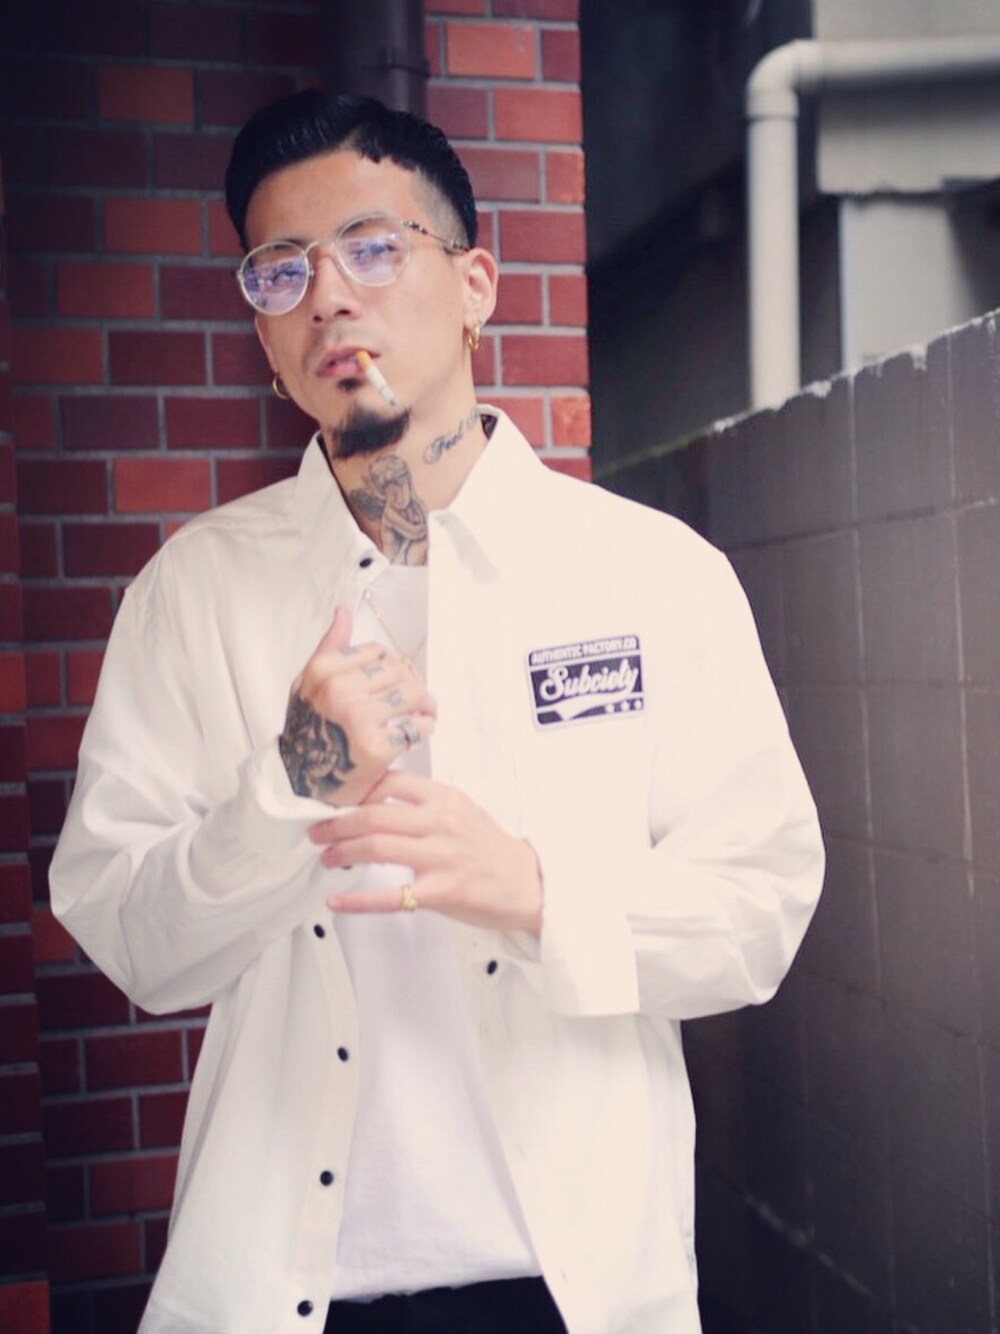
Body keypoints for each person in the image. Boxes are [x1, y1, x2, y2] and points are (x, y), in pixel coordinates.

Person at [50, 90, 824, 1334]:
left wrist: (533, 886)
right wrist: (289, 782)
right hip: (287, 1293)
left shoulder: (648, 572)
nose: (326, 298)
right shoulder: (192, 592)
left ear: (475, 285)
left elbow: (760, 908)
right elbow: (135, 944)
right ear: (261, 327)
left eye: (371, 247)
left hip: (574, 1285)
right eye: (280, 270)